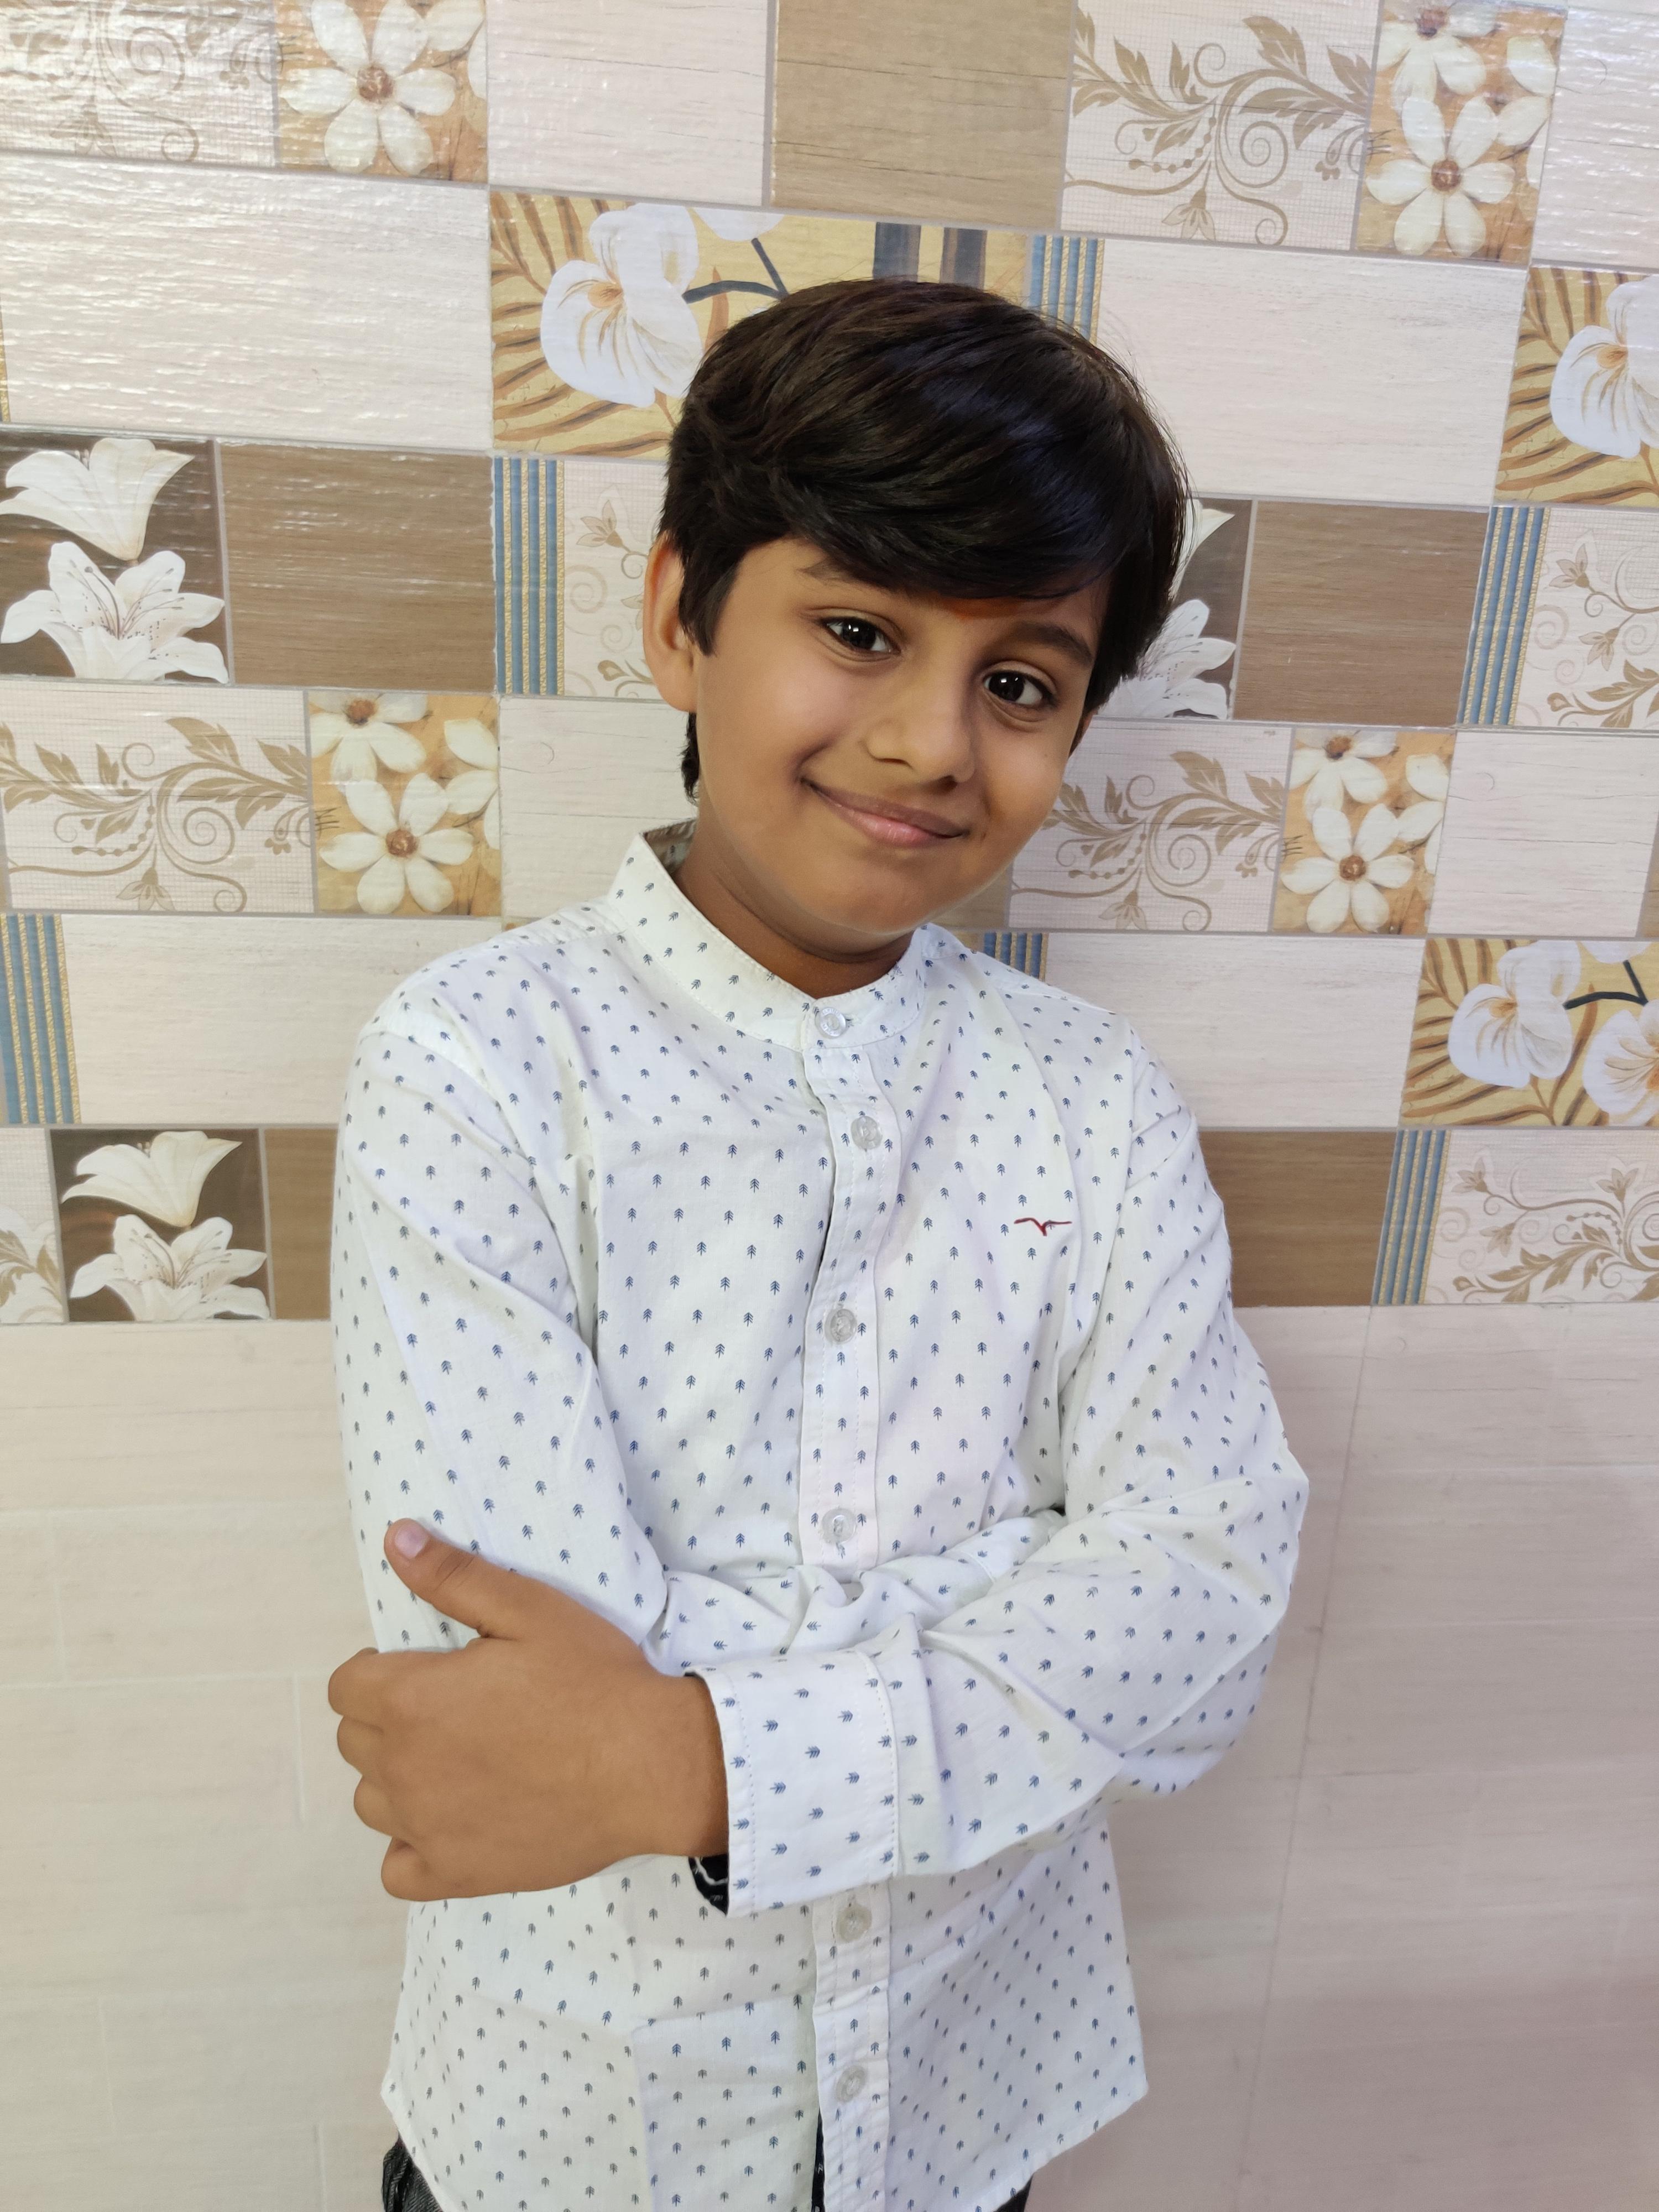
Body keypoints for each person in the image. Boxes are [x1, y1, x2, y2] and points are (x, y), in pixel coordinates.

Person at [327, 276, 1310, 2212]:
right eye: (859, 631)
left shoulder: (1091, 1101)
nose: (935, 741)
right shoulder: (477, 1065)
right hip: (584, 2115)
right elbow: (514, 1697)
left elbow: (1204, 1598)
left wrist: (692, 1759)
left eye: (1021, 682)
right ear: (680, 619)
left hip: (962, 2096)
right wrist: (1018, 1598)